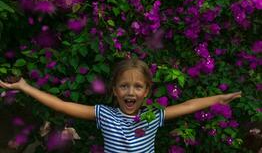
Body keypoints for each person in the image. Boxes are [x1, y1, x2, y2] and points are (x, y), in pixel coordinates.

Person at [0, 58, 242, 153]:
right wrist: (25, 87)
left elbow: (190, 105)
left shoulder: (152, 116)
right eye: (124, 86)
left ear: (146, 91)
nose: (131, 92)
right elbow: (62, 105)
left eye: (138, 87)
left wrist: (218, 99)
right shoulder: (103, 114)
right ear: (115, 90)